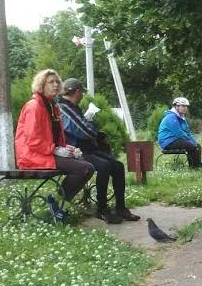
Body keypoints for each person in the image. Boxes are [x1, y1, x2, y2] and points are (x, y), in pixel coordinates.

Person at [14, 69, 94, 223]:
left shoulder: (53, 106)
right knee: (85, 168)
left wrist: (68, 148)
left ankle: (56, 204)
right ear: (41, 85)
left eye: (57, 82)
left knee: (86, 165)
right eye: (51, 82)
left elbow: (56, 137)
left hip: (47, 153)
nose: (56, 85)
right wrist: (55, 149)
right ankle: (56, 203)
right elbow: (32, 140)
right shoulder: (34, 106)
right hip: (32, 155)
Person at [57, 78, 140, 223]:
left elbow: (84, 128)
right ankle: (102, 209)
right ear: (77, 92)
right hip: (74, 152)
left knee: (118, 166)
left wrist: (90, 126)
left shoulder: (72, 107)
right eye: (81, 92)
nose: (82, 95)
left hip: (87, 149)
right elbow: (85, 131)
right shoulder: (63, 108)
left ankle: (121, 208)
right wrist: (91, 125)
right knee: (104, 166)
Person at [157, 97, 202, 169]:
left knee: (197, 145)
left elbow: (187, 132)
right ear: (176, 106)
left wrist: (194, 141)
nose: (185, 108)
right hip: (167, 141)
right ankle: (195, 167)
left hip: (175, 140)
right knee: (191, 145)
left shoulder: (181, 117)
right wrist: (191, 142)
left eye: (186, 106)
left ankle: (197, 166)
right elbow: (179, 133)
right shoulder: (171, 116)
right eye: (183, 106)